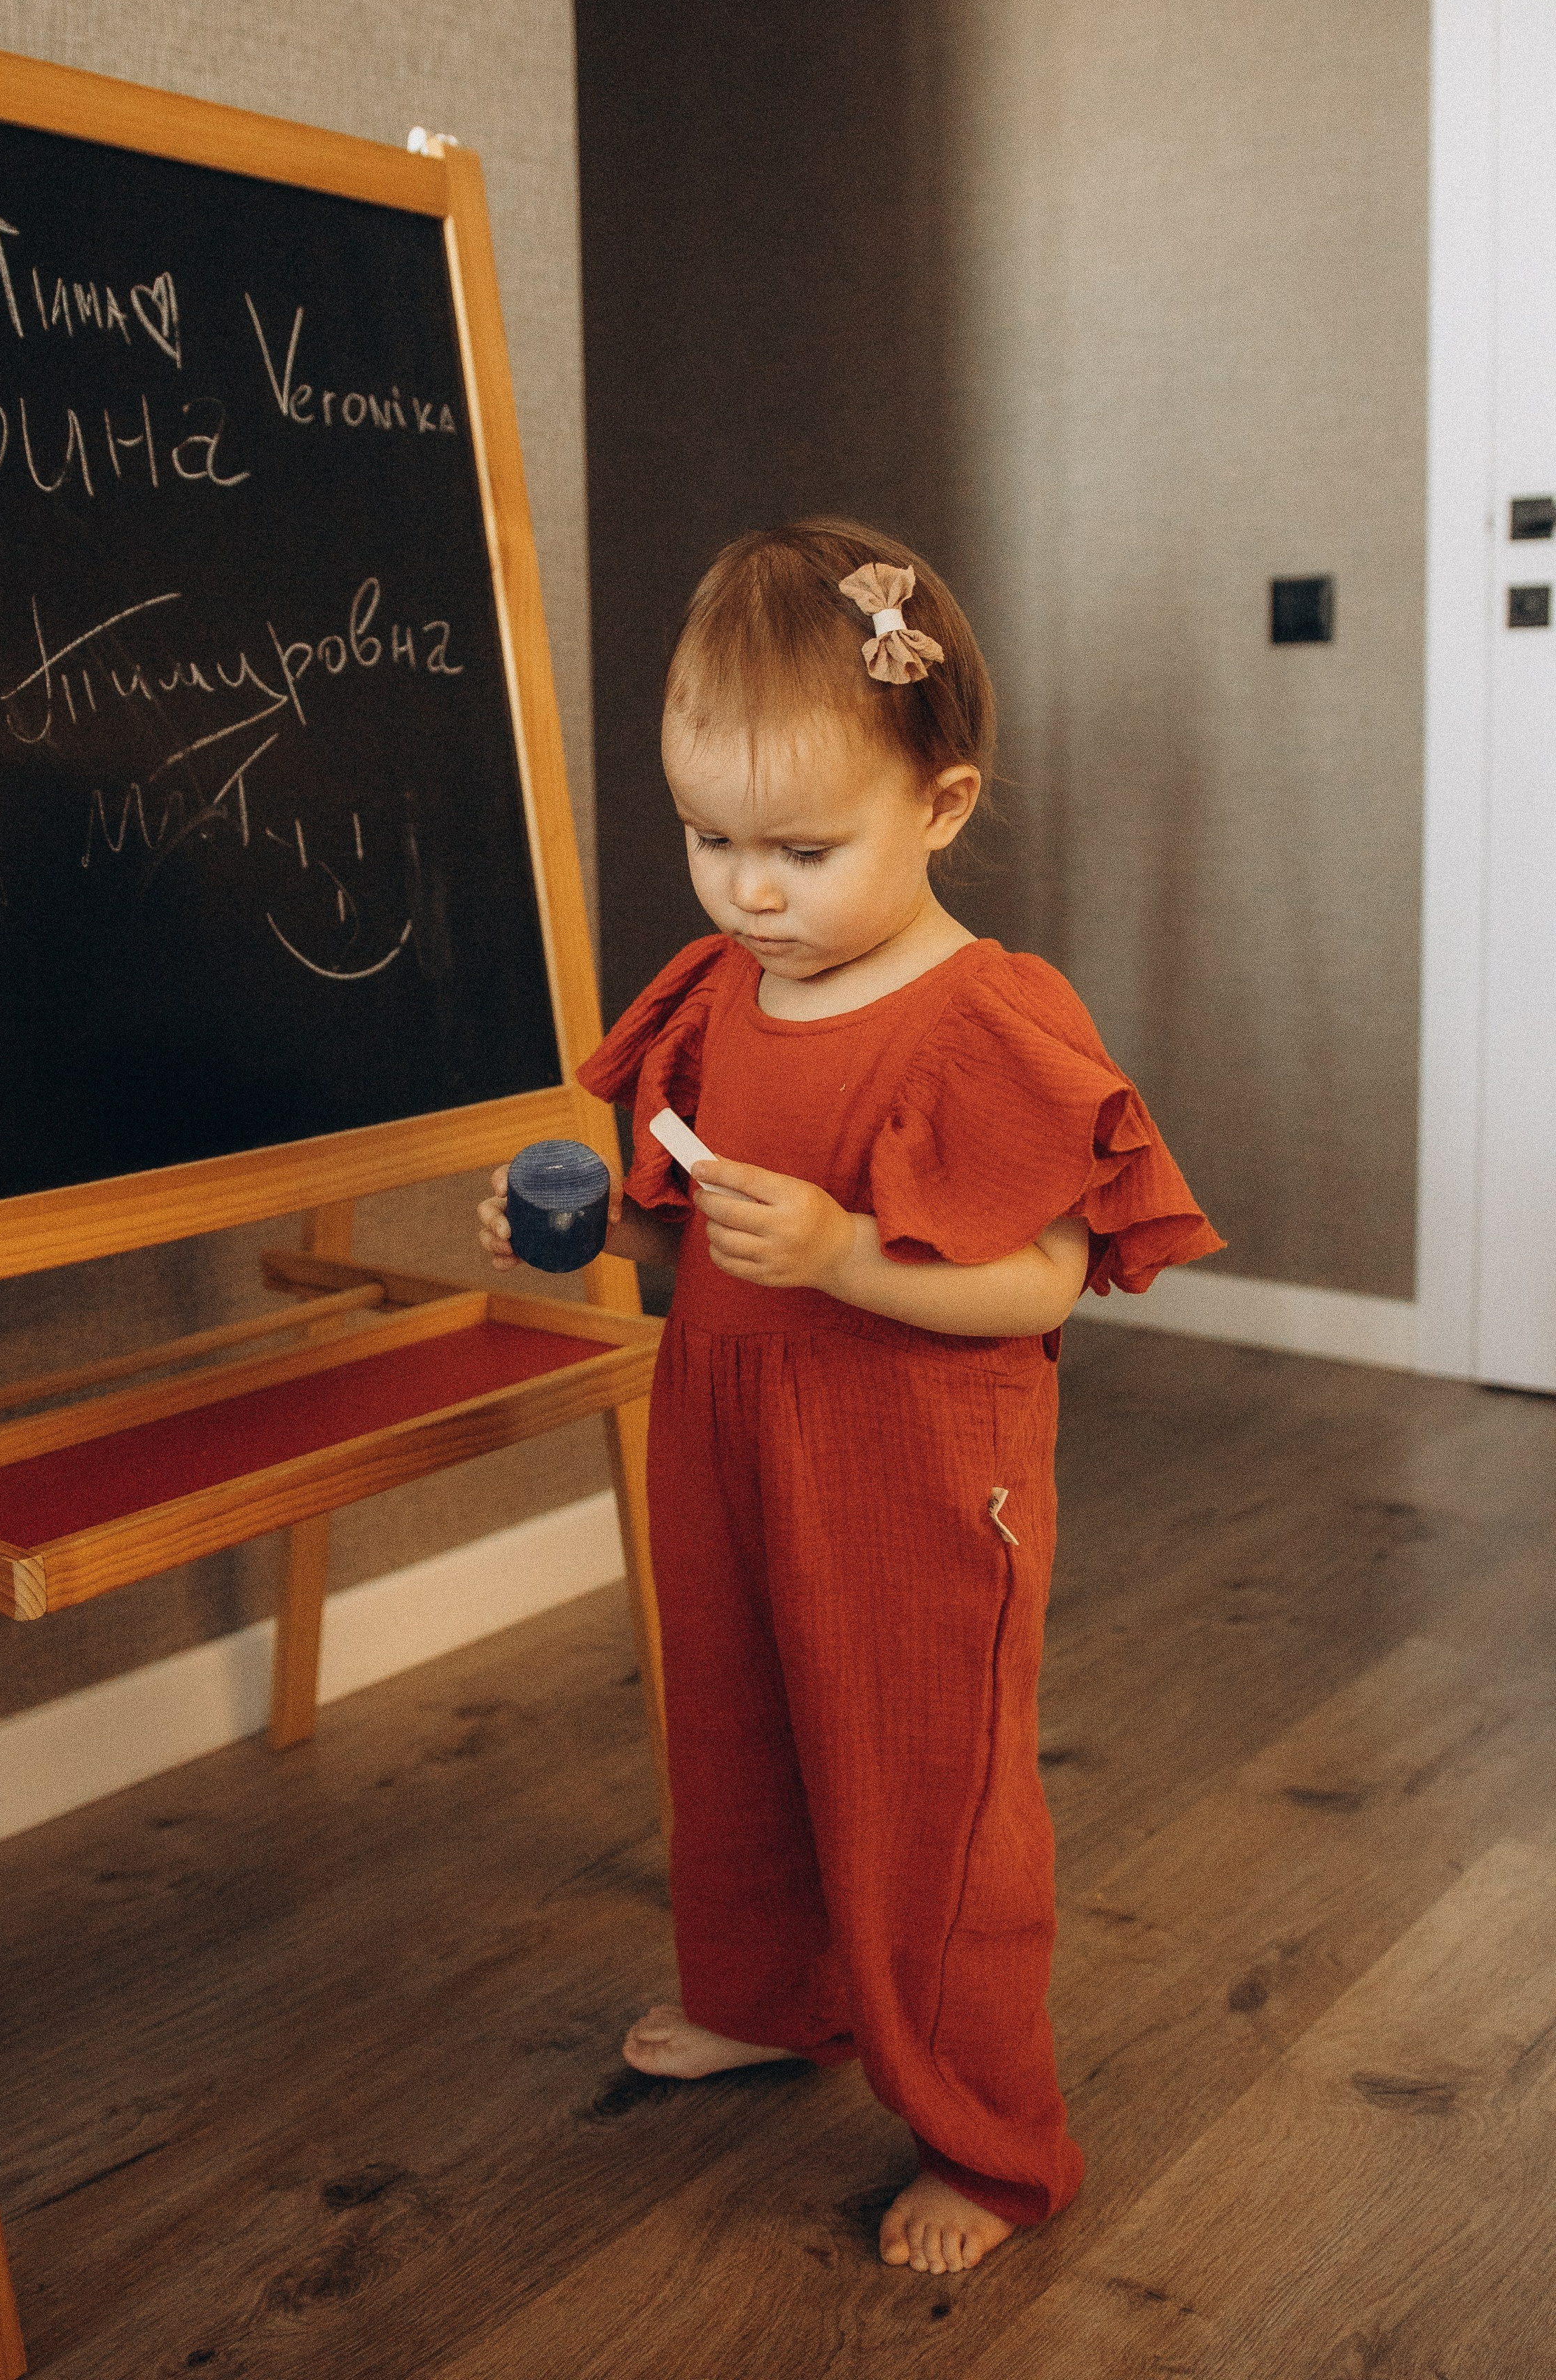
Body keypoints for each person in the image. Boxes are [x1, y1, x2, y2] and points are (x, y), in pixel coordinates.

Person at [478, 519, 1221, 2276]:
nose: (745, 890)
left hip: (914, 1466)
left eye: (800, 850)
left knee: (921, 1795)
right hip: (724, 1433)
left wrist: (836, 1257)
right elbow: (678, 1246)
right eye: (709, 838)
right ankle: (766, 1999)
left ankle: (987, 2134)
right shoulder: (721, 999)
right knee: (735, 1738)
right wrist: (553, 1232)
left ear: (942, 806)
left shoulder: (986, 1023)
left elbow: (1041, 1282)